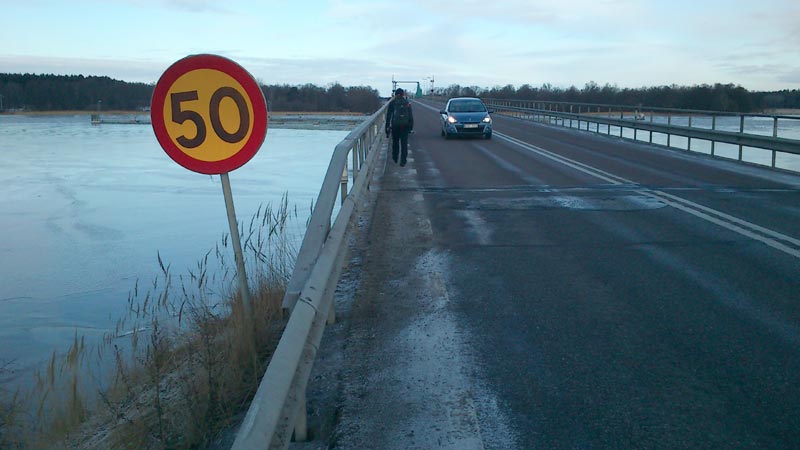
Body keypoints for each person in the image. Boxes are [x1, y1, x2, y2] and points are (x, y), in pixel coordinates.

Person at [385, 88, 414, 166]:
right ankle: (403, 161)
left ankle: (395, 158)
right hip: (405, 126)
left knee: (395, 143)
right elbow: (410, 116)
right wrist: (410, 127)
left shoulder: (392, 103)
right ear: (403, 94)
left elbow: (388, 116)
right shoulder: (407, 103)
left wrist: (387, 128)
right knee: (404, 144)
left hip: (395, 126)